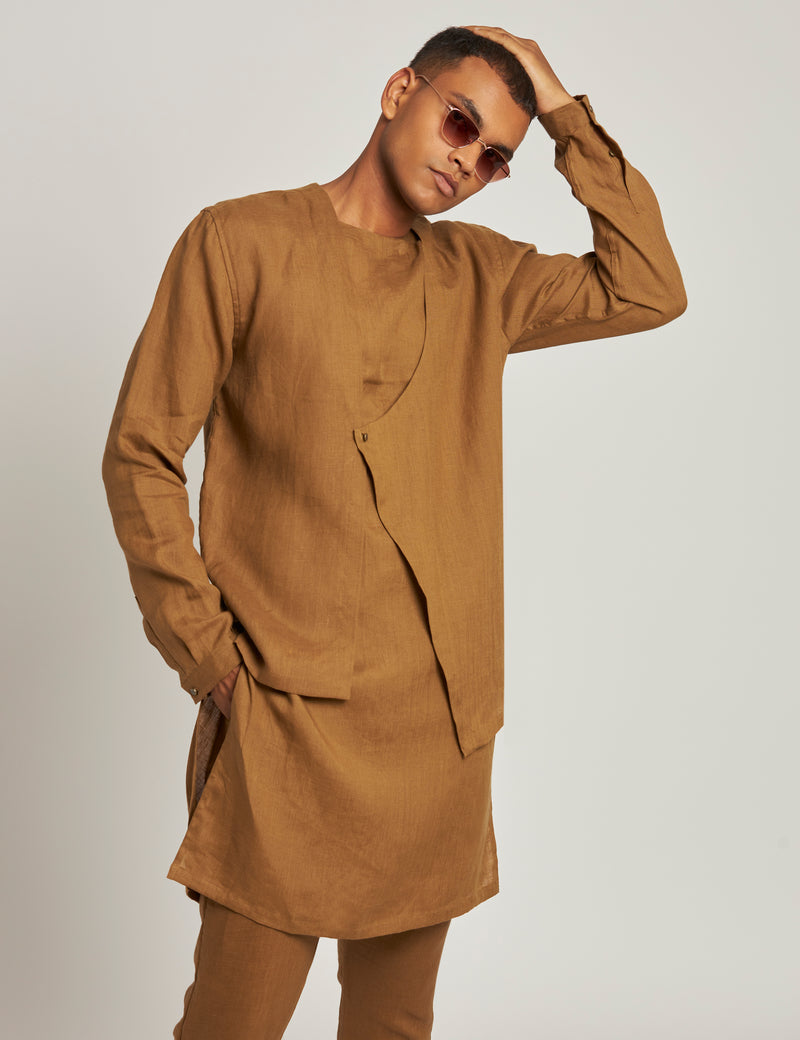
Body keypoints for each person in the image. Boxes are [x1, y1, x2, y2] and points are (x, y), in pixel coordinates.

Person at [102, 24, 686, 1040]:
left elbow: (647, 286)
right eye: (459, 122)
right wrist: (208, 657)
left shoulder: (484, 277)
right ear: (397, 91)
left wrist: (561, 111)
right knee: (231, 1023)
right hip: (284, 717)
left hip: (434, 733)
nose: (468, 160)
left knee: (393, 1025)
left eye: (494, 156)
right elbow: (141, 452)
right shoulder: (239, 242)